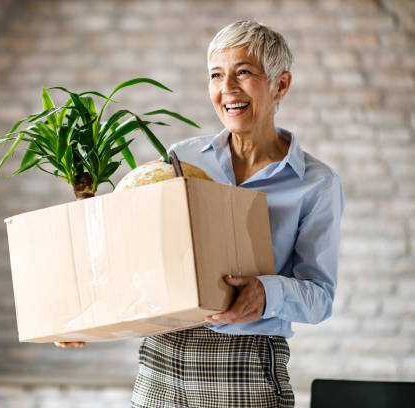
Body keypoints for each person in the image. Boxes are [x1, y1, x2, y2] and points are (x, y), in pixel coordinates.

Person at [57, 19, 344, 408]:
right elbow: (136, 248)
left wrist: (265, 292)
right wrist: (84, 314)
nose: (227, 88)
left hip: (243, 367)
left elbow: (320, 296)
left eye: (243, 72)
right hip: (161, 357)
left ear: (281, 85)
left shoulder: (316, 184)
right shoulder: (181, 157)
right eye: (216, 75)